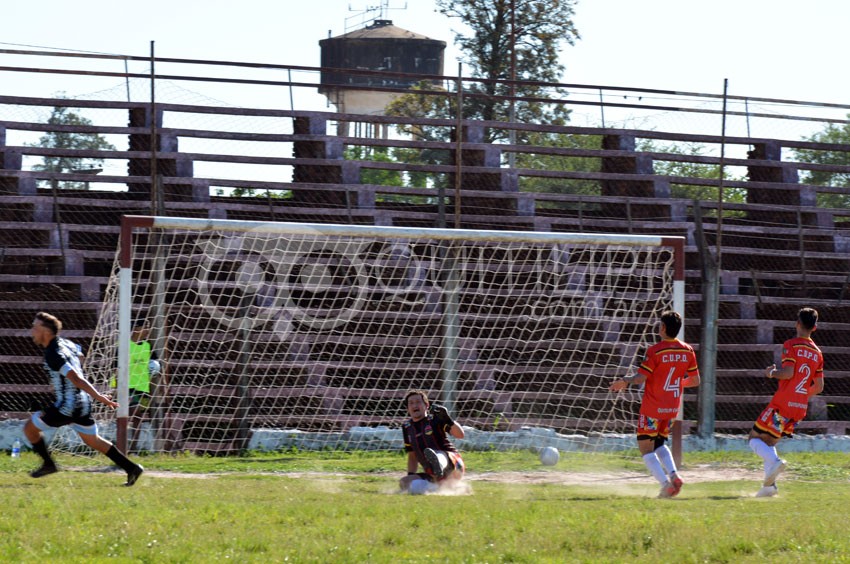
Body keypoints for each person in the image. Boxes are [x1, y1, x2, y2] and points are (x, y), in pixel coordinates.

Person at [24, 311, 144, 486]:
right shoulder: (67, 343)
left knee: (29, 429)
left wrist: (100, 396)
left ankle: (49, 464)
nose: (32, 331)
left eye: (35, 327)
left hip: (68, 406)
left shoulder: (53, 354)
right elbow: (79, 355)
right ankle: (132, 468)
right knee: (92, 440)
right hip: (83, 402)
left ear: (46, 331)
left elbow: (76, 378)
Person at [609, 311, 700, 498]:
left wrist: (625, 381)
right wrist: (677, 383)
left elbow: (642, 377)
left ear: (664, 328)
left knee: (645, 448)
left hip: (652, 409)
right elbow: (695, 380)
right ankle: (674, 475)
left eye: (660, 324)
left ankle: (666, 485)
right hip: (671, 409)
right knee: (659, 442)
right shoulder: (687, 350)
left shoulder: (655, 351)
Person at [749, 307, 824, 498]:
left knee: (754, 439)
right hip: (799, 408)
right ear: (814, 328)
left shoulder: (791, 345)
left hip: (782, 403)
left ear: (797, 323)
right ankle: (769, 487)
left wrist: (771, 373)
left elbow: (789, 373)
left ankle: (776, 464)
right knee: (769, 441)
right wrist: (801, 397)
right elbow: (819, 386)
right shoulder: (818, 353)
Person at [399, 389, 465, 494]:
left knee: (437, 454)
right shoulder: (407, 427)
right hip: (431, 473)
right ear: (407, 408)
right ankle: (439, 488)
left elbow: (460, 435)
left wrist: (448, 420)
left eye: (418, 402)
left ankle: (438, 466)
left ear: (426, 405)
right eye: (411, 403)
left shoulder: (435, 419)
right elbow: (412, 456)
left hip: (454, 464)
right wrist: (411, 475)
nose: (414, 405)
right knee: (404, 483)